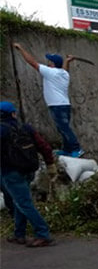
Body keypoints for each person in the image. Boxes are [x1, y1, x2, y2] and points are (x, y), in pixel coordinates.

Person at [0, 101, 56, 247]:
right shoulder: (25, 127)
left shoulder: (1, 130)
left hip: (11, 172)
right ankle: (19, 234)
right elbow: (44, 146)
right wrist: (50, 164)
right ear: (13, 114)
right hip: (29, 170)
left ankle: (43, 234)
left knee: (24, 203)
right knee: (19, 200)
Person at [13, 43, 83, 157]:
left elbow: (32, 62)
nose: (48, 62)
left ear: (53, 64)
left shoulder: (50, 72)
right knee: (62, 128)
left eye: (50, 61)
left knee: (64, 128)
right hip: (64, 105)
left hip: (57, 106)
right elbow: (64, 69)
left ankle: (77, 148)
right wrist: (67, 61)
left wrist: (21, 49)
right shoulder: (64, 74)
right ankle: (67, 149)